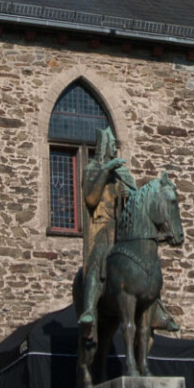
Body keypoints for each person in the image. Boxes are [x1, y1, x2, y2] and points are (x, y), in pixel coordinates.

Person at [77, 127, 135, 326]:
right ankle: (89, 309)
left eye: (114, 146)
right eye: (111, 146)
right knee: (98, 256)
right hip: (101, 228)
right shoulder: (92, 169)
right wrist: (106, 170)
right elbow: (91, 198)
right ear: (103, 148)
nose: (114, 150)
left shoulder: (120, 174)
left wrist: (126, 196)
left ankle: (156, 307)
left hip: (121, 230)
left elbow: (134, 201)